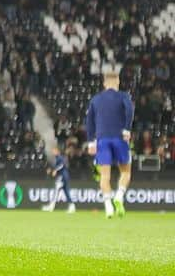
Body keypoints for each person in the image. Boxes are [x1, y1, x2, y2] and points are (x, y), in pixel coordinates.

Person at [86, 67, 134, 219]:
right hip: (120, 138)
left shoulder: (96, 99)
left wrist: (90, 142)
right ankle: (119, 197)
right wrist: (127, 129)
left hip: (102, 140)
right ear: (117, 82)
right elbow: (129, 110)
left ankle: (108, 208)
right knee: (125, 171)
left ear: (105, 83)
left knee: (104, 175)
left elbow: (89, 122)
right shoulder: (123, 96)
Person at [42, 146, 75, 213]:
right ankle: (72, 206)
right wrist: (52, 170)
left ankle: (51, 206)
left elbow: (62, 165)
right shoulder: (59, 158)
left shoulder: (60, 157)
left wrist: (54, 170)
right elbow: (59, 166)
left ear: (57, 151)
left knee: (56, 191)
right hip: (65, 176)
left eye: (54, 150)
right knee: (66, 192)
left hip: (62, 177)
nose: (52, 152)